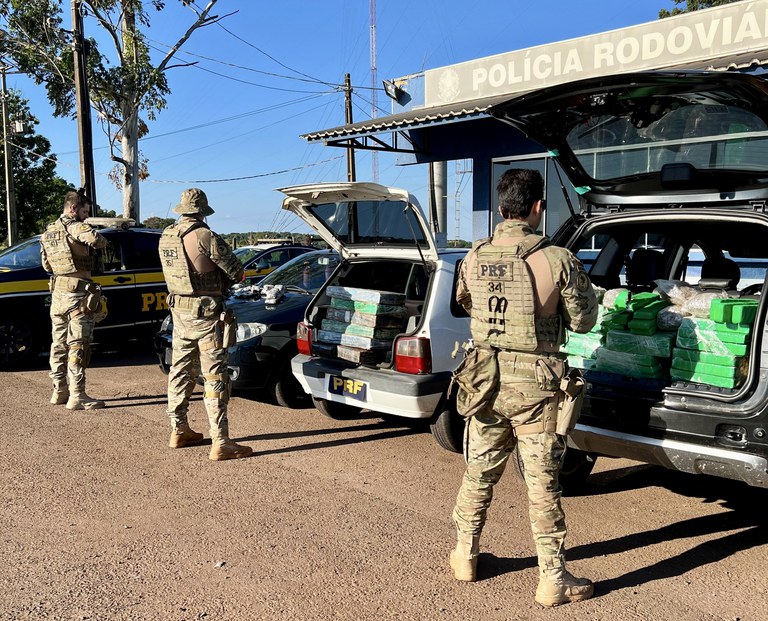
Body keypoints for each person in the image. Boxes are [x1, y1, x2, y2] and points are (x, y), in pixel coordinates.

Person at [449, 169, 598, 607]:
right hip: (536, 388)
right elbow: (585, 319)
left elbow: (466, 303)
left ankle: (464, 555)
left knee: (478, 471)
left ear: (501, 208)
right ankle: (552, 579)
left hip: (484, 381)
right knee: (542, 484)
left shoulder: (474, 256)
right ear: (538, 207)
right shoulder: (557, 258)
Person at [159, 188, 252, 461]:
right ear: (202, 211)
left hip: (180, 314)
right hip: (206, 315)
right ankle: (221, 441)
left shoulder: (166, 236)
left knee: (180, 371)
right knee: (215, 376)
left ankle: (179, 430)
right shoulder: (205, 235)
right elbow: (237, 272)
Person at [40, 189, 109, 410]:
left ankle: (59, 390)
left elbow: (46, 265)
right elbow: (98, 241)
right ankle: (77, 395)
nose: (86, 216)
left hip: (58, 293)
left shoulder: (48, 232)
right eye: (84, 211)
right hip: (78, 295)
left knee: (58, 344)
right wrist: (93, 232)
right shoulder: (76, 227)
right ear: (73, 209)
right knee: (78, 344)